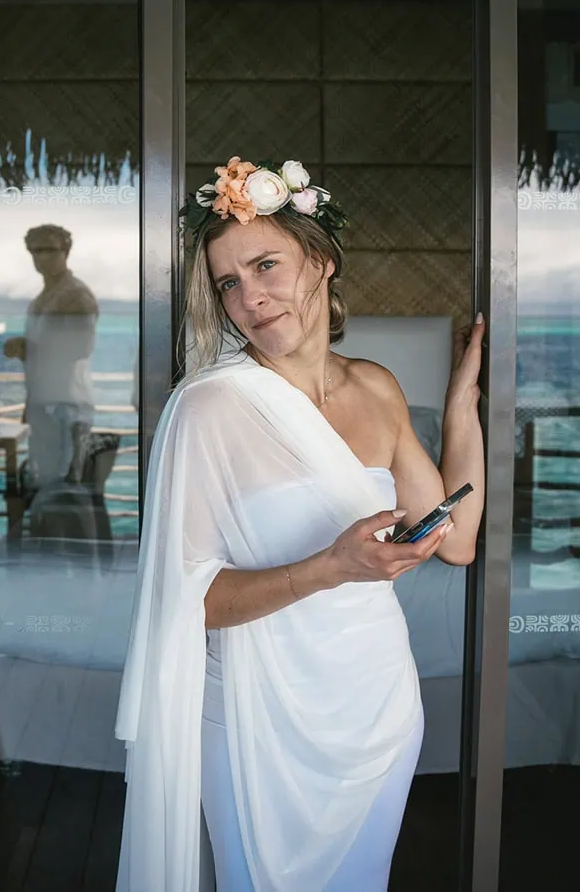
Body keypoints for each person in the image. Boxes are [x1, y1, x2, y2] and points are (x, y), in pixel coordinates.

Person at [115, 156, 486, 892]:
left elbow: (460, 539)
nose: (250, 296)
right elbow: (189, 599)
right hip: (258, 719)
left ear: (320, 259)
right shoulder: (209, 407)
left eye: (265, 265)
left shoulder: (376, 387)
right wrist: (330, 567)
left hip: (376, 705)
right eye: (229, 282)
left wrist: (460, 407)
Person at [3, 224, 100, 491]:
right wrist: (25, 349)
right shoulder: (40, 299)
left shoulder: (75, 295)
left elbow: (82, 347)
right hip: (43, 405)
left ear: (65, 252)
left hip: (67, 406)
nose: (41, 257)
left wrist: (30, 347)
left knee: (62, 491)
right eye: (36, 250)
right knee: (44, 485)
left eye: (49, 250)